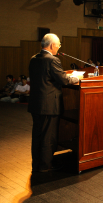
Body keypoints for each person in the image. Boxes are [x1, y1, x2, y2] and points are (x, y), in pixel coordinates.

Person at [28, 33, 81, 173]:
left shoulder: (34, 59)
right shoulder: (52, 60)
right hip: (49, 105)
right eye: (58, 45)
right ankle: (46, 166)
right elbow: (64, 80)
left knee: (37, 135)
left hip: (36, 104)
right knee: (48, 136)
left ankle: (37, 163)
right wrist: (76, 77)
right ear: (52, 45)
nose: (59, 47)